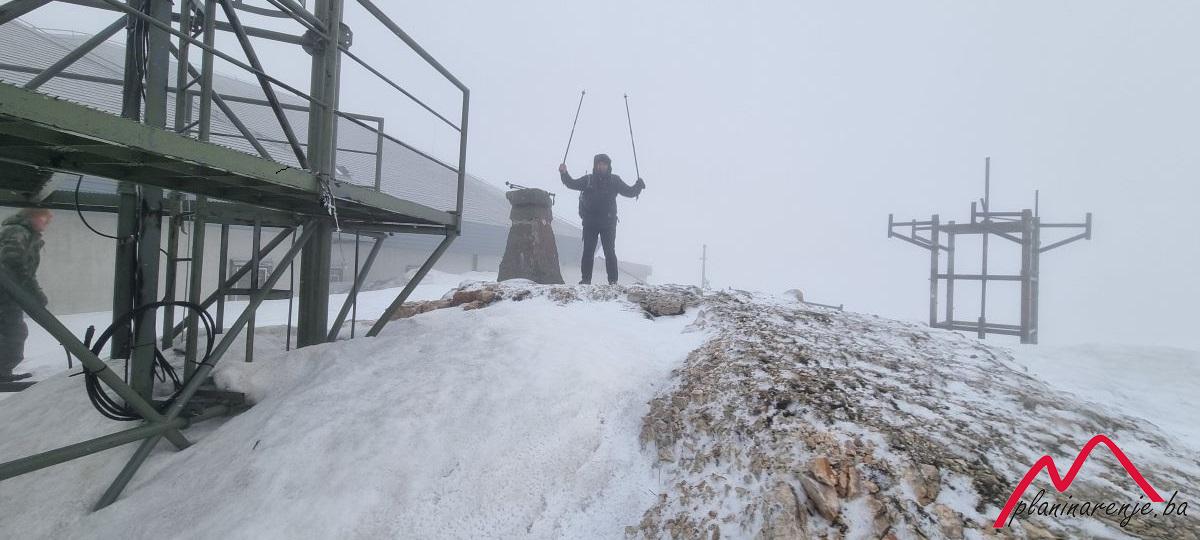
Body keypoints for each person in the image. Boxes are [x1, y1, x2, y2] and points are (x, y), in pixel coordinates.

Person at [559, 153, 645, 284]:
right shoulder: (588, 179)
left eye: (604, 164)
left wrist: (638, 186)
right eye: (599, 164)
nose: (601, 166)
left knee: (609, 252)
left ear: (608, 166)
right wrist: (564, 173)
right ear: (595, 165)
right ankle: (586, 280)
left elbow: (629, 192)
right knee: (588, 251)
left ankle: (613, 281)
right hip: (590, 222)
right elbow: (571, 183)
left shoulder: (614, 180)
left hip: (608, 223)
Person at [0, 208, 52, 382]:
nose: (46, 223)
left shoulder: (25, 234)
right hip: (6, 294)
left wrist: (34, 293)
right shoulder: (17, 232)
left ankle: (2, 372)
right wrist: (34, 292)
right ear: (31, 217)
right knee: (14, 332)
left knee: (12, 332)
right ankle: (1, 373)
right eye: (43, 218)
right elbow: (13, 263)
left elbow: (25, 270)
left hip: (9, 293)